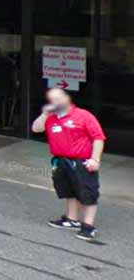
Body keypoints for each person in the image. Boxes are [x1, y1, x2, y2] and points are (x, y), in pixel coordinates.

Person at [32, 88, 106, 241]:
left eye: (59, 98)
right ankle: (71, 220)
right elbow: (36, 128)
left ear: (67, 98)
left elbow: (98, 137)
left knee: (88, 193)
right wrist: (45, 114)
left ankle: (88, 226)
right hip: (61, 160)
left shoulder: (83, 115)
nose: (56, 102)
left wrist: (95, 159)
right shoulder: (51, 118)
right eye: (52, 99)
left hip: (81, 161)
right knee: (69, 191)